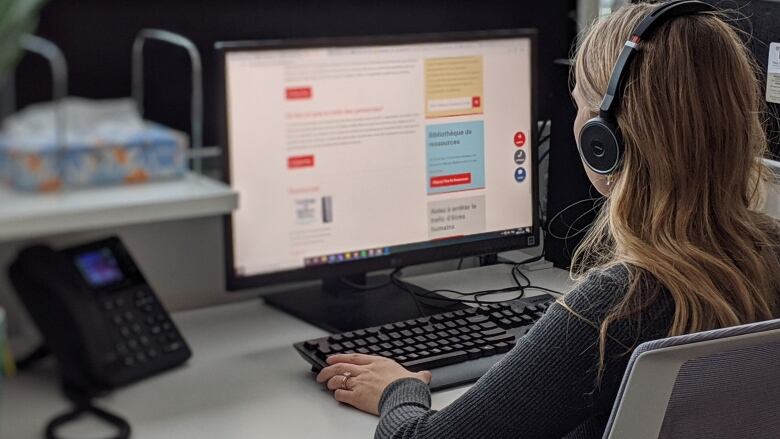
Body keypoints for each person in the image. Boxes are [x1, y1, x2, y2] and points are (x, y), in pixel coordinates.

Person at [315, 2, 780, 438]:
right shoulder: (769, 255)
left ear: (606, 140)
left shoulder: (615, 309)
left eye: (580, 104)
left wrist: (399, 389)